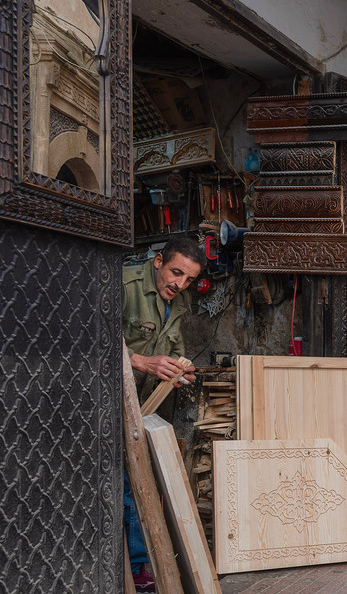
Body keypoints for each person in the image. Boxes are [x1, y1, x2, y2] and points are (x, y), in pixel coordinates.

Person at [122, 236, 205, 591]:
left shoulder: (180, 300)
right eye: (175, 273)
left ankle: (145, 563)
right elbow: (90, 339)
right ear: (158, 262)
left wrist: (181, 372)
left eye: (188, 279)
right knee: (125, 482)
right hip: (108, 400)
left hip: (145, 406)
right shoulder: (124, 285)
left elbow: (173, 348)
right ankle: (138, 568)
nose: (180, 284)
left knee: (144, 477)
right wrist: (140, 361)